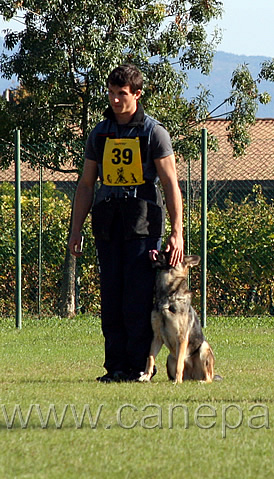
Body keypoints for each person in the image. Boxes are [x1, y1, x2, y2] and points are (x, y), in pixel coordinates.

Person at [68, 64, 184, 382]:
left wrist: (177, 232)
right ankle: (115, 367)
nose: (116, 100)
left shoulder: (153, 132)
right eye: (111, 93)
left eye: (122, 94)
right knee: (112, 297)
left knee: (137, 297)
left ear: (137, 94)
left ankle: (139, 366)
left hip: (144, 226)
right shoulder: (100, 133)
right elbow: (86, 185)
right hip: (108, 224)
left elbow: (171, 183)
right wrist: (75, 230)